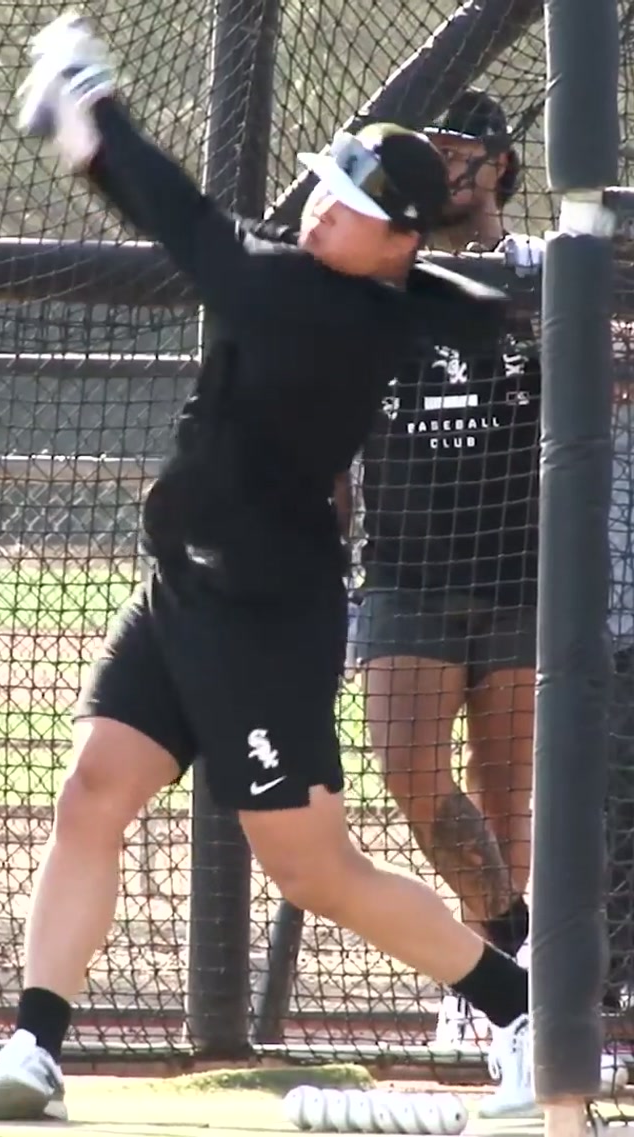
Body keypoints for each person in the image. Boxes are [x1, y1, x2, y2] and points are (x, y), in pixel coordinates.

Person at [0, 17, 535, 1122]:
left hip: (262, 619)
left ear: (397, 244)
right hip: (182, 591)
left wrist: (91, 115)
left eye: (356, 207)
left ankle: (522, 1013)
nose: (323, 207)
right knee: (93, 792)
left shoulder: (309, 306)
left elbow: (182, 222)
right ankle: (35, 1046)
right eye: (327, 189)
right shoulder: (360, 286)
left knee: (315, 872)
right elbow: (430, 292)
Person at [343, 89, 624, 1101]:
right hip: (406, 575)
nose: (440, 173)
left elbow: (610, 383)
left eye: (457, 155)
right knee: (415, 780)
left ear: (498, 168)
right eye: (428, 156)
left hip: (521, 578)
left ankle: (492, 1012)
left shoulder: (542, 275)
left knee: (510, 807)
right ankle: (505, 968)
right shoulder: (384, 274)